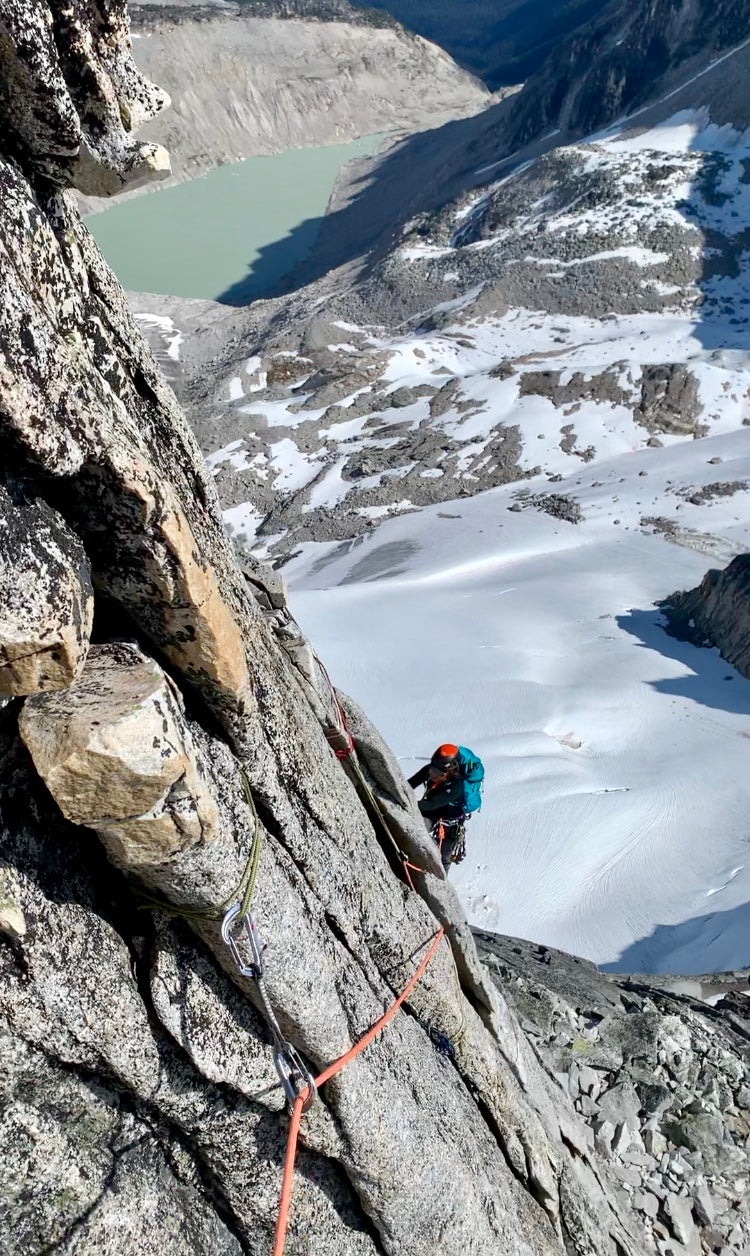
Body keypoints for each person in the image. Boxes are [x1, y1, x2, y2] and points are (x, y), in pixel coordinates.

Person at [408, 744, 484, 871]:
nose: (433, 775)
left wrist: (408, 804)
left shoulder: (457, 786)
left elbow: (432, 804)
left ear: (451, 771)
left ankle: (442, 882)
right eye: (432, 770)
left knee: (445, 858)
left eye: (439, 774)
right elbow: (410, 784)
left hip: (450, 821)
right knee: (418, 833)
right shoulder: (433, 769)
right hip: (433, 813)